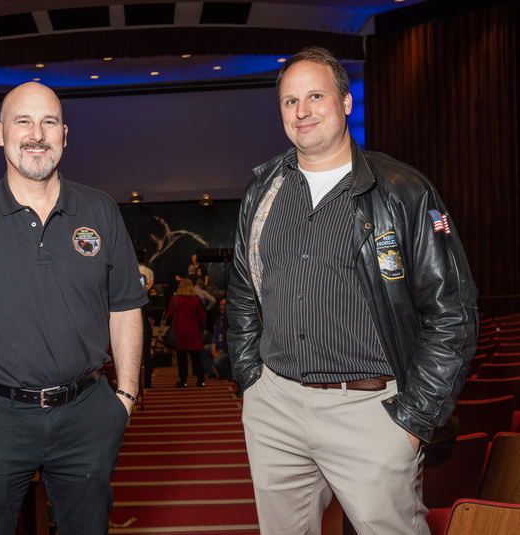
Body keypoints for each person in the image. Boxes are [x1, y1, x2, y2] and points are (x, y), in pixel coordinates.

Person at [226, 46, 477, 535]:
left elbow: (452, 313)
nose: (302, 111)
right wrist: (251, 381)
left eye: (315, 96)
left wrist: (414, 421)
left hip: (372, 412)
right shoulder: (263, 191)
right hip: (275, 407)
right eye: (290, 101)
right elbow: (241, 293)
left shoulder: (403, 190)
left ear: (345, 102)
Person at [0, 81, 147, 535]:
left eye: (49, 122)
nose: (37, 134)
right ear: (0, 133)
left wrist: (125, 398)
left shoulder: (100, 210)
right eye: (23, 121)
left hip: (87, 416)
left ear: (65, 134)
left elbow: (125, 309)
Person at [168, 278, 206, 387]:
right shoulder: (195, 300)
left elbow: (170, 315)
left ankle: (183, 381)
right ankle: (201, 380)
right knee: (196, 358)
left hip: (180, 332)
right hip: (194, 332)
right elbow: (201, 316)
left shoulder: (174, 300)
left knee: (182, 359)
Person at [211, 298, 230, 380]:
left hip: (227, 350)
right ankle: (211, 372)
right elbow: (216, 335)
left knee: (217, 361)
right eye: (220, 305)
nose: (221, 307)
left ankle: (223, 375)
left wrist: (219, 352)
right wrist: (213, 348)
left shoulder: (231, 320)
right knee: (203, 350)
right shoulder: (219, 319)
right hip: (219, 345)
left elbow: (228, 342)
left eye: (224, 305)